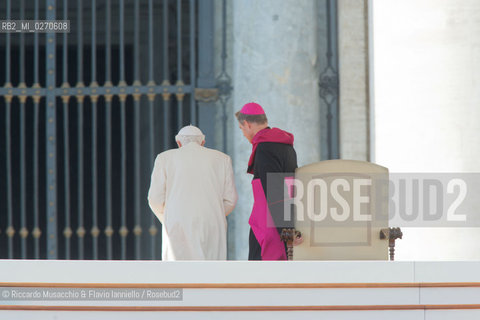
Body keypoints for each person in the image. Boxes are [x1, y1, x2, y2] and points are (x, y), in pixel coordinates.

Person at [148, 125, 238, 260]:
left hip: (177, 223)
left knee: (179, 275)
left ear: (178, 143)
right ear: (203, 143)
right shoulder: (222, 159)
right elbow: (230, 199)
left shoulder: (164, 158)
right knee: (211, 274)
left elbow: (155, 199)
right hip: (212, 224)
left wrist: (170, 215)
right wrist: (213, 213)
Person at [236, 102, 298, 260]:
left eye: (241, 129)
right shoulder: (286, 146)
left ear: (247, 124)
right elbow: (292, 187)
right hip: (282, 222)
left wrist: (287, 231)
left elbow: (274, 190)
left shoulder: (264, 147)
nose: (243, 133)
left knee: (262, 279)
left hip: (267, 229)